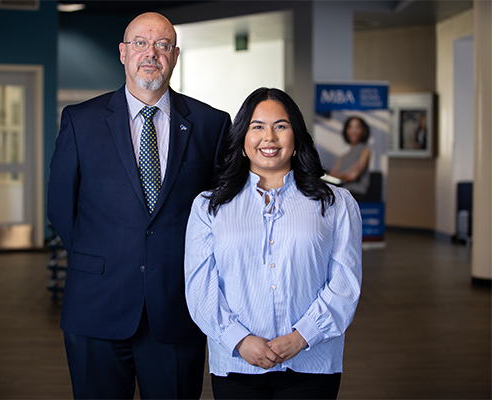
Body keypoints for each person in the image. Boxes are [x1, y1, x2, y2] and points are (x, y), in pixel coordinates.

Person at [47, 12, 231, 399]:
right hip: (96, 305)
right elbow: (61, 207)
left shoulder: (211, 123)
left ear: (175, 55)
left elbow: (221, 213)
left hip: (177, 309)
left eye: (162, 45)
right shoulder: (81, 120)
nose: (151, 53)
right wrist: (103, 258)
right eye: (140, 44)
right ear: (122, 52)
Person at [184, 88, 362, 399]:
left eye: (281, 126)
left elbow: (345, 283)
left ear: (296, 139)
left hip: (312, 362)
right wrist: (239, 339)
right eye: (257, 127)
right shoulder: (208, 206)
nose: (269, 137)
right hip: (237, 362)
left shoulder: (335, 202)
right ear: (242, 138)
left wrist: (302, 337)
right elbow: (200, 287)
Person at [327, 116, 371, 202]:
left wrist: (340, 175)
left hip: (356, 194)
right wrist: (346, 175)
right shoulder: (342, 156)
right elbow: (331, 175)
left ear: (363, 130)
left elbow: (353, 176)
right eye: (350, 127)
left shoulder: (365, 151)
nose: (353, 131)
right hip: (341, 192)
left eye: (357, 127)